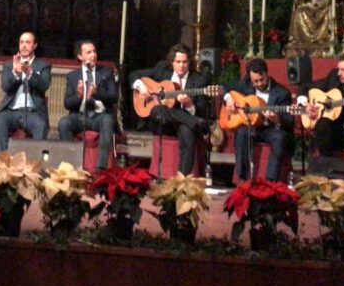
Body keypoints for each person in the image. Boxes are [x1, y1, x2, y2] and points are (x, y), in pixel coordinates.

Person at [130, 43, 213, 176]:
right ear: (171, 62)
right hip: (163, 123)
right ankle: (196, 121)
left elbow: (202, 109)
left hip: (184, 124)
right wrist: (141, 87)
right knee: (158, 109)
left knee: (188, 134)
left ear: (189, 62)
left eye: (185, 62)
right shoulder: (162, 71)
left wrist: (189, 105)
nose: (181, 65)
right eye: (178, 62)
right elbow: (134, 74)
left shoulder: (199, 80)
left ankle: (183, 177)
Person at [222, 58, 294, 182]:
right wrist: (228, 98)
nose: (259, 84)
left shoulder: (281, 93)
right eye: (255, 81)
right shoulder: (245, 84)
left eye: (262, 80)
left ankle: (270, 181)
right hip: (251, 126)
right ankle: (242, 179)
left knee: (280, 138)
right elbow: (223, 86)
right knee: (241, 133)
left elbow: (289, 121)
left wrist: (277, 119)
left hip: (270, 129)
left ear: (267, 74)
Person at [58, 40, 118, 171]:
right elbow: (67, 104)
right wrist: (79, 96)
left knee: (108, 120)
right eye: (89, 52)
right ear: (80, 56)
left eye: (94, 51)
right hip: (80, 116)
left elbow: (114, 97)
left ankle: (101, 168)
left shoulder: (106, 72)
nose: (93, 55)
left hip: (100, 116)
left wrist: (98, 93)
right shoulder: (72, 76)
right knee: (64, 123)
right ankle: (70, 165)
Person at [0, 32, 52, 155]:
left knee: (40, 126)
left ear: (35, 45)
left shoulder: (43, 66)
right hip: (11, 111)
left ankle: (36, 165)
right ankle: (0, 162)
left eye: (28, 42)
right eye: (22, 42)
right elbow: (5, 86)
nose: (24, 45)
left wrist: (31, 74)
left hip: (32, 112)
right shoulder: (9, 65)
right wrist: (15, 73)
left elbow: (44, 86)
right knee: (0, 121)